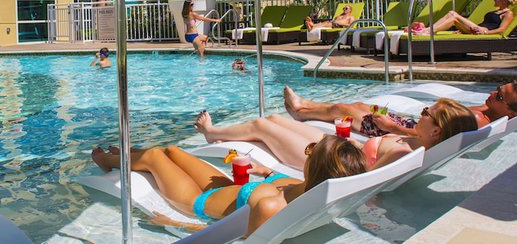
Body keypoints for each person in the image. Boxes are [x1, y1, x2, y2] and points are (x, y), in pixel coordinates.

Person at [90, 134, 365, 234]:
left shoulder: (271, 207)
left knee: (154, 156)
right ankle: (127, 157)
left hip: (197, 201)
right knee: (172, 150)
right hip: (224, 187)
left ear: (316, 166)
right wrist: (268, 172)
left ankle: (108, 161)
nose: (307, 153)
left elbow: (234, 236)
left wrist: (172, 223)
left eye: (311, 151)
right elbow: (278, 183)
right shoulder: (306, 186)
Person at [195, 97, 477, 171]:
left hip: (328, 161)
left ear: (437, 130)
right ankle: (218, 132)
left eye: (427, 112)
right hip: (341, 148)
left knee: (261, 126)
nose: (421, 112)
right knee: (273, 118)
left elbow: (363, 181)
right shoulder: (416, 140)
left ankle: (211, 132)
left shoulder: (403, 152)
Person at [284, 81, 517, 137]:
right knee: (360, 105)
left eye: (499, 95)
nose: (493, 93)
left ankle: (300, 111)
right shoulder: (488, 112)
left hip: (398, 130)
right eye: (498, 88)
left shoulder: (477, 120)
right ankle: (306, 105)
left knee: (344, 108)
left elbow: (432, 139)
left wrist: (391, 126)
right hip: (411, 123)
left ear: (510, 112)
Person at [429, 0, 517, 35]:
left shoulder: (508, 13)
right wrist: (462, 29)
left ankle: (429, 31)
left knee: (453, 14)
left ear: (504, 1)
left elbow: (502, 29)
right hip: (477, 28)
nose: (494, 0)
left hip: (482, 30)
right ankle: (428, 30)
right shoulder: (496, 11)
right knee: (451, 14)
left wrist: (485, 33)